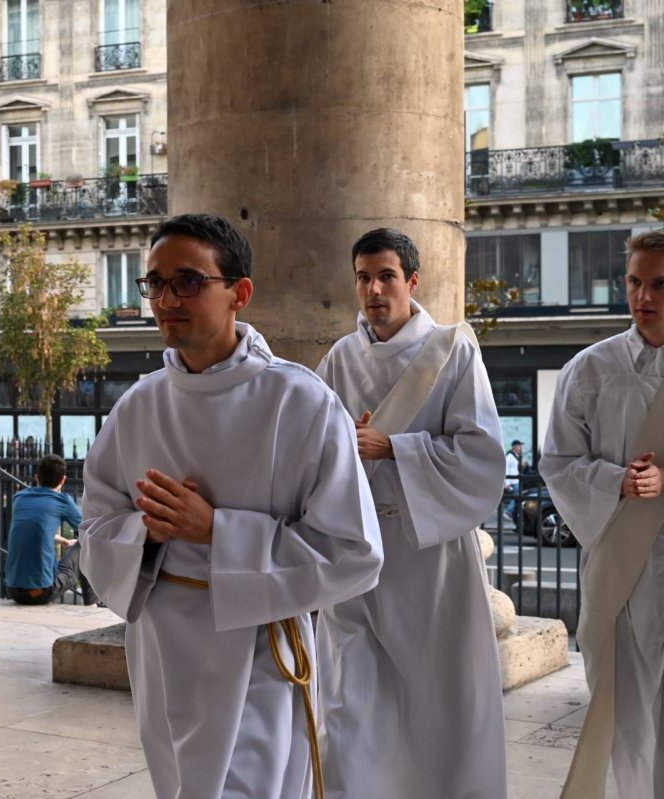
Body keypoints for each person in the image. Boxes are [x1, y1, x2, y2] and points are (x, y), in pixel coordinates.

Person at [79, 213, 383, 799]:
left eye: (188, 281)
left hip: (257, 654)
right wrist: (149, 533)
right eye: (156, 284)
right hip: (165, 657)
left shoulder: (300, 402)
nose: (167, 299)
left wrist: (217, 530)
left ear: (239, 293)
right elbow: (95, 524)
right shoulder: (138, 406)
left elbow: (354, 552)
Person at [313, 228, 508, 799]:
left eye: (386, 276)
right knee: (350, 707)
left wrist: (393, 446)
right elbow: (313, 447)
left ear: (412, 281)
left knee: (440, 706)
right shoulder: (338, 360)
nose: (373, 289)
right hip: (358, 558)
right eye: (363, 277)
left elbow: (482, 456)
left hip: (432, 561)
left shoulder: (452, 351)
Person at [540, 230, 664, 798]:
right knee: (627, 722)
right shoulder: (589, 369)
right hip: (618, 568)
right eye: (636, 282)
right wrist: (618, 482)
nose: (645, 296)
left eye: (659, 284)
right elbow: (558, 462)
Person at [5, 454, 95, 606]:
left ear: (36, 477)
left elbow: (35, 530)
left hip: (13, 590)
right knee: (85, 543)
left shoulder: (19, 498)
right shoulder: (62, 500)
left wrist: (65, 541)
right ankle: (92, 605)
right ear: (63, 480)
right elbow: (89, 531)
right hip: (40, 593)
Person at [502, 439, 525, 520]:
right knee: (516, 496)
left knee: (517, 496)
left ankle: (511, 513)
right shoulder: (510, 456)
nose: (520, 447)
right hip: (512, 480)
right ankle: (508, 511)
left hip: (516, 480)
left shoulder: (517, 455)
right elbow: (506, 468)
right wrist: (507, 482)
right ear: (515, 446)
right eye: (519, 446)